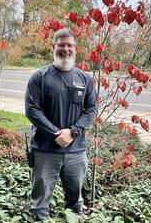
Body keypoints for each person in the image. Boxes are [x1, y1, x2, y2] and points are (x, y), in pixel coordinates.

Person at [25, 28, 97, 221]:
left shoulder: (85, 79)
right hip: (45, 151)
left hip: (76, 152)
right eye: (61, 45)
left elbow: (91, 110)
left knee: (75, 202)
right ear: (53, 47)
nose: (66, 49)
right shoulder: (39, 77)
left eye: (70, 45)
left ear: (75, 48)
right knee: (40, 204)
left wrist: (72, 133)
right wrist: (57, 134)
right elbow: (32, 110)